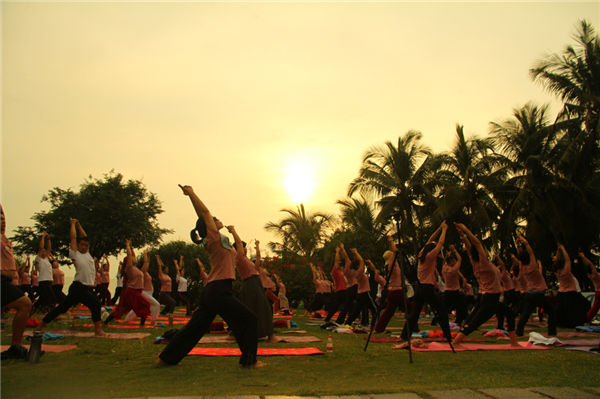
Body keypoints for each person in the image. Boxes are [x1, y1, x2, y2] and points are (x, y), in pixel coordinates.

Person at [156, 184, 262, 368]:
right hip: (219, 290)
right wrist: (191, 194)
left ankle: (166, 359)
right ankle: (250, 362)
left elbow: (207, 218)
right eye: (214, 220)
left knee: (195, 328)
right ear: (209, 226)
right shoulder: (212, 237)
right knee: (249, 320)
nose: (217, 220)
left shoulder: (220, 241)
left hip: (213, 291)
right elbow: (204, 213)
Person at [37, 218, 105, 336]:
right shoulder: (75, 254)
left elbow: (84, 237)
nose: (84, 247)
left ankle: (41, 324)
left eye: (86, 245)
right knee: (95, 304)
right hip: (79, 287)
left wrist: (79, 225)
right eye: (82, 245)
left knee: (62, 308)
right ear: (78, 246)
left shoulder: (88, 255)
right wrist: (73, 224)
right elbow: (73, 238)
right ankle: (98, 331)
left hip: (86, 288)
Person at [452, 223, 517, 347]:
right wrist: (466, 229)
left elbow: (470, 248)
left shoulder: (475, 262)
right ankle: (456, 342)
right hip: (489, 298)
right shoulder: (484, 262)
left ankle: (514, 342)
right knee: (475, 322)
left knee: (509, 314)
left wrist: (462, 236)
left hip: (486, 297)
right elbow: (476, 244)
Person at [402, 221, 453, 347]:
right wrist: (444, 230)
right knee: (442, 311)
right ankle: (447, 335)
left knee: (414, 314)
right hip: (427, 288)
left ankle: (404, 334)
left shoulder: (421, 255)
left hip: (420, 287)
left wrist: (439, 228)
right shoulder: (430, 256)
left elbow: (430, 240)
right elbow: (440, 243)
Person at [228, 230, 279, 342]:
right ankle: (270, 336)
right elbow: (239, 244)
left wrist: (257, 246)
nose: (245, 248)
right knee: (262, 308)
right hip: (251, 284)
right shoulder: (239, 257)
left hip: (255, 283)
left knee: (257, 308)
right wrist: (233, 231)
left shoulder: (246, 259)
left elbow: (258, 262)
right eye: (244, 247)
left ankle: (239, 332)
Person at [1, 205, 33, 359]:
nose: (3, 222)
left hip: (7, 282)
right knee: (25, 303)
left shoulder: (5, 240)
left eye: (3, 219)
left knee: (25, 304)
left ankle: (15, 346)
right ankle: (15, 346)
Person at [514, 235, 557, 337]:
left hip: (530, 294)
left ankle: (519, 331)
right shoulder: (533, 266)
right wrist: (523, 240)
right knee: (552, 312)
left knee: (525, 314)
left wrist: (518, 244)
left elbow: (521, 256)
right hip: (538, 294)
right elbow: (529, 250)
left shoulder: (523, 268)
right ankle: (552, 332)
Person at [373, 235, 413, 333]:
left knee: (388, 312)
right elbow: (395, 251)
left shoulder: (391, 266)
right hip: (397, 291)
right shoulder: (391, 265)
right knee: (411, 309)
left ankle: (379, 328)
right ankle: (413, 328)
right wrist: (391, 241)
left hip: (393, 292)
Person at [551, 244, 588, 328]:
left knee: (562, 310)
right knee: (574, 310)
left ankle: (561, 324)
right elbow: (567, 260)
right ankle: (574, 323)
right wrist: (563, 249)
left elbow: (559, 261)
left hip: (561, 291)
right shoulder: (566, 269)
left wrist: (558, 251)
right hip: (570, 291)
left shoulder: (556, 270)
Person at [124, 250, 160, 326]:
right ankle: (153, 321)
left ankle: (127, 319)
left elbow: (147, 262)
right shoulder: (142, 271)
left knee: (138, 307)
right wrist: (145, 255)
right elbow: (146, 262)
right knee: (156, 304)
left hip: (149, 293)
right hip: (145, 292)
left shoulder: (145, 272)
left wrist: (147, 255)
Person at [344, 248, 376, 328]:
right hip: (365, 293)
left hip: (360, 294)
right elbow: (361, 260)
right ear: (358, 266)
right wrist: (356, 252)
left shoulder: (354, 272)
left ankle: (347, 323)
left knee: (356, 311)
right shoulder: (360, 271)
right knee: (374, 310)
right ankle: (374, 325)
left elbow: (359, 261)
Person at [321, 245, 348, 327]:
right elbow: (336, 261)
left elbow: (346, 260)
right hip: (340, 291)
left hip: (343, 290)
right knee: (336, 306)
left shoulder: (341, 272)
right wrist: (337, 252)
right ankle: (330, 319)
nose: (339, 264)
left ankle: (334, 319)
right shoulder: (335, 271)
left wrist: (342, 251)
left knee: (343, 306)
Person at [441, 245, 467, 326]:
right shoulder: (453, 270)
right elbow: (460, 259)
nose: (455, 261)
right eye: (453, 261)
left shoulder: (445, 268)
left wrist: (447, 255)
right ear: (451, 262)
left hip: (447, 291)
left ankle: (439, 320)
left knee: (444, 308)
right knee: (461, 308)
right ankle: (460, 321)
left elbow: (445, 262)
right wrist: (454, 250)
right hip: (455, 292)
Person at [33, 232, 57, 313]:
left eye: (45, 251)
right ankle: (52, 311)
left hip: (48, 280)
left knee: (43, 298)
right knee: (52, 297)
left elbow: (49, 248)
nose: (44, 252)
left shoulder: (46, 259)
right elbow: (41, 247)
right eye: (42, 251)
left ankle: (34, 309)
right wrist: (43, 237)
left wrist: (48, 239)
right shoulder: (38, 259)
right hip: (43, 281)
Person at [579, 252, 600, 322]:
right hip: (599, 292)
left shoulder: (592, 276)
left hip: (598, 292)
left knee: (594, 308)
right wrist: (583, 257)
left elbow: (590, 265)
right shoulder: (595, 275)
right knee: (594, 309)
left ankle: (587, 319)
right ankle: (586, 319)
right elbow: (590, 265)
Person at [156, 254, 176, 327]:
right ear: (164, 270)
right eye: (166, 269)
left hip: (167, 293)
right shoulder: (161, 275)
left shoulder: (167, 275)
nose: (168, 270)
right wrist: (158, 258)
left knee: (158, 305)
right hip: (163, 293)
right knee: (173, 302)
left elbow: (162, 265)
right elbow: (159, 266)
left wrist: (160, 259)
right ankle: (170, 317)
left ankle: (163, 313)